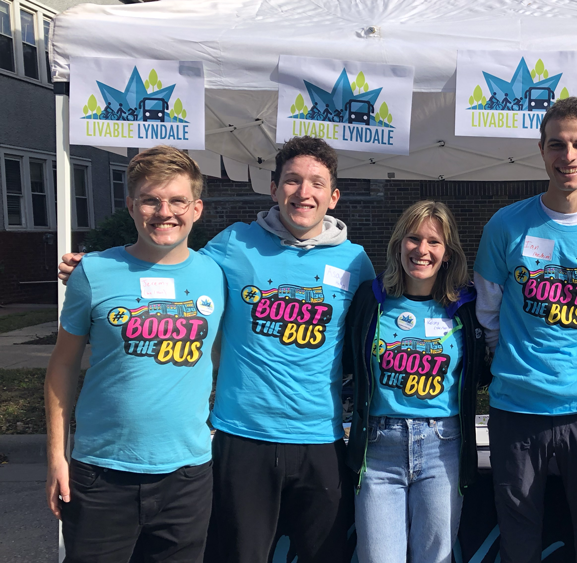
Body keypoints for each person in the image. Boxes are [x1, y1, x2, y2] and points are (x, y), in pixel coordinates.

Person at [60, 136, 375, 563]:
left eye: (317, 183)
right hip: (241, 437)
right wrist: (101, 265)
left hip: (321, 437)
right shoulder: (233, 245)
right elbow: (169, 258)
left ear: (333, 196)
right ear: (273, 188)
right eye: (292, 181)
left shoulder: (356, 262)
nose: (304, 193)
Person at [473, 97, 577, 562]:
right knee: (518, 539)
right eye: (557, 144)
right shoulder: (505, 225)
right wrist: (509, 358)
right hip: (516, 409)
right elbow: (488, 310)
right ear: (542, 150)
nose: (569, 155)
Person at [46, 145, 224, 562]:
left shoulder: (216, 274)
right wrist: (56, 456)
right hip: (101, 474)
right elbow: (62, 366)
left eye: (178, 200)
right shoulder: (92, 273)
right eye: (151, 200)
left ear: (196, 208)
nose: (165, 212)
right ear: (130, 206)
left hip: (187, 476)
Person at [343, 200, 488, 563]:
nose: (422, 250)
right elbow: (348, 361)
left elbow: (482, 371)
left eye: (434, 242)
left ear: (448, 253)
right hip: (379, 447)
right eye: (413, 238)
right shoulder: (370, 299)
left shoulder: (466, 305)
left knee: (435, 558)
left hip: (444, 446)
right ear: (398, 244)